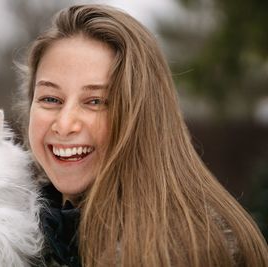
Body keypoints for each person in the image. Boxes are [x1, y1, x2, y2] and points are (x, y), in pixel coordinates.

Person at [15, 4, 268, 267]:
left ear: (145, 116)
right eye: (51, 98)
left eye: (96, 101)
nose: (65, 124)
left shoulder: (189, 251)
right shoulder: (13, 243)